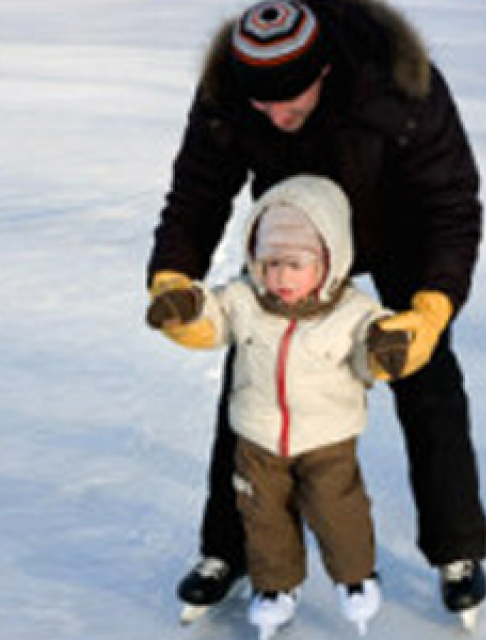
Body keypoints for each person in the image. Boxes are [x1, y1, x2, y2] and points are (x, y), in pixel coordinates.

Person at [146, 0, 486, 623]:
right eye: (264, 106)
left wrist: (432, 307)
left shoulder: (400, 83)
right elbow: (197, 191)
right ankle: (227, 549)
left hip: (397, 227)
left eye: (293, 102)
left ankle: (456, 550)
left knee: (427, 377)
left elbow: (451, 202)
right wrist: (174, 275)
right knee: (253, 373)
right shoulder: (230, 87)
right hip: (292, 232)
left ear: (327, 71)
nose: (278, 118)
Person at [147, 175, 409, 636]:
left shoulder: (352, 311)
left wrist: (383, 348)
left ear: (328, 260)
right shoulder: (247, 298)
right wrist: (187, 307)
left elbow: (370, 355)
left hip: (328, 440)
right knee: (263, 517)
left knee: (338, 513)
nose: (280, 278)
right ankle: (275, 587)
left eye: (294, 264)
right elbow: (215, 315)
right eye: (269, 264)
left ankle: (356, 578)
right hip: (257, 437)